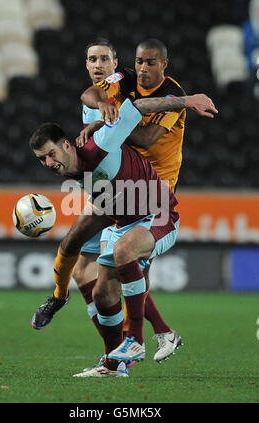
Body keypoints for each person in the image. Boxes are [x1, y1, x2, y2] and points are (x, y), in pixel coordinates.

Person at [29, 94, 217, 377]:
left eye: (51, 154)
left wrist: (186, 101)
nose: (48, 162)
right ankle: (113, 365)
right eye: (42, 159)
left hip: (159, 214)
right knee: (102, 295)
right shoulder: (73, 169)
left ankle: (136, 341)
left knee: (123, 252)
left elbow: (136, 108)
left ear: (66, 145)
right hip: (124, 222)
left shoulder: (102, 143)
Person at [72, 38, 185, 367]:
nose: (143, 69)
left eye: (151, 63)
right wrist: (102, 115)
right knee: (93, 273)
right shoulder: (123, 81)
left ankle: (128, 348)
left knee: (123, 267)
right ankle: (133, 344)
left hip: (154, 188)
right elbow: (89, 94)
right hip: (120, 185)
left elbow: (147, 138)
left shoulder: (171, 97)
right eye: (139, 62)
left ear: (164, 64)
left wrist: (115, 123)